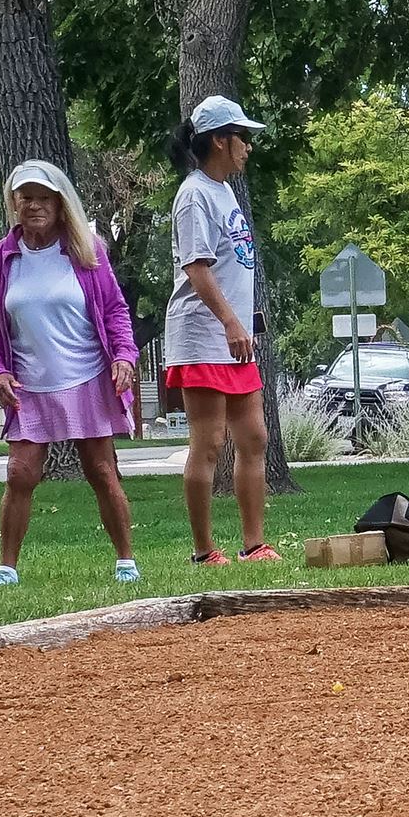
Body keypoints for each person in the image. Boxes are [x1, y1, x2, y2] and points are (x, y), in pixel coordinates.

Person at [0, 159, 142, 588]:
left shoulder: (87, 248)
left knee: (102, 471)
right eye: (25, 197)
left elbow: (114, 309)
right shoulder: (1, 258)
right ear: (14, 203)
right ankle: (6, 568)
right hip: (28, 382)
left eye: (43, 198)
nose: (34, 206)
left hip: (87, 375)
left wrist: (124, 355)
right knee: (20, 473)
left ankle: (126, 560)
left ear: (60, 202)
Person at [163, 95, 278, 567]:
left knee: (254, 439)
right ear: (218, 140)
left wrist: (242, 324)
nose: (248, 147)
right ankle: (204, 551)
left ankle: (254, 545)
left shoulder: (224, 190)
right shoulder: (193, 195)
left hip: (236, 339)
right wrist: (230, 320)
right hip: (202, 335)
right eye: (242, 138)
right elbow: (196, 267)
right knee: (208, 443)